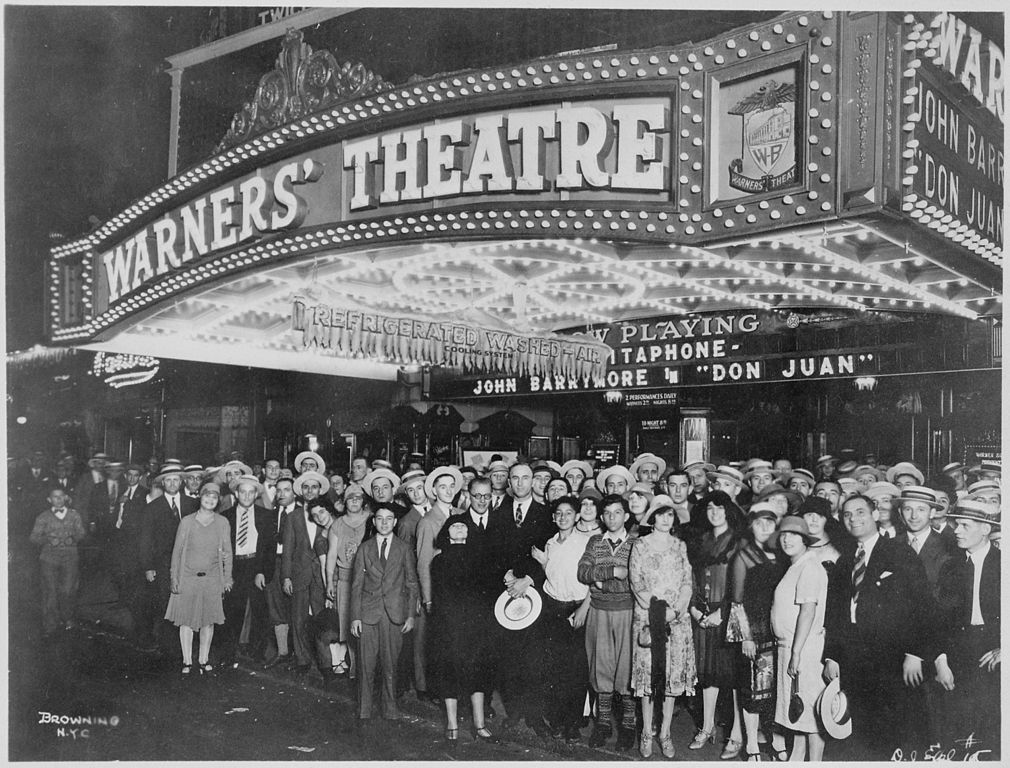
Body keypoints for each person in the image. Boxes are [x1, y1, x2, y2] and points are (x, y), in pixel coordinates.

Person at [823, 494, 933, 759]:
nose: (853, 519)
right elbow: (835, 613)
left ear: (875, 515)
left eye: (860, 512)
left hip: (892, 656)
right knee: (860, 726)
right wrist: (831, 656)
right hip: (853, 655)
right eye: (847, 515)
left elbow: (922, 606)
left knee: (893, 728)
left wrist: (915, 653)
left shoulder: (899, 551)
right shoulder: (845, 559)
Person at [933, 498, 1000, 755]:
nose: (957, 531)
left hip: (994, 648)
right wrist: (940, 660)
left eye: (964, 525)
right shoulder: (952, 566)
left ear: (985, 529)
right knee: (957, 725)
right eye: (956, 524)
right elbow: (940, 620)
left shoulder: (1004, 563)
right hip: (960, 650)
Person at [629, 503, 696, 759]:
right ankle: (647, 732)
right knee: (648, 680)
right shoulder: (640, 545)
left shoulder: (680, 545)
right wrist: (658, 611)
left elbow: (688, 581)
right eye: (661, 514)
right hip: (648, 618)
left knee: (670, 680)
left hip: (676, 621)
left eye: (670, 514)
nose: (666, 519)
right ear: (652, 518)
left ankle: (665, 733)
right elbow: (636, 582)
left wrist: (676, 610)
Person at [427, 515, 499, 743]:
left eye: (463, 525)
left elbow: (487, 592)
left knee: (477, 670)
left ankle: (479, 724)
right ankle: (451, 723)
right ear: (447, 533)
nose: (459, 528)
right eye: (454, 526)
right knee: (450, 671)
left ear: (469, 532)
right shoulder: (439, 561)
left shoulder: (481, 558)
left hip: (476, 623)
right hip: (449, 624)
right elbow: (440, 596)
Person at [726, 502, 787, 761]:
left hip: (780, 631)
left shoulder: (785, 554)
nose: (765, 527)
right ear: (750, 526)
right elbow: (736, 601)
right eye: (759, 522)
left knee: (778, 691)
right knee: (753, 690)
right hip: (756, 631)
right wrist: (746, 637)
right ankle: (751, 744)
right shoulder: (743, 556)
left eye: (770, 522)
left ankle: (778, 740)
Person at [577, 494, 637, 751]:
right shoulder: (595, 541)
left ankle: (628, 725)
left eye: (617, 512)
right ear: (601, 517)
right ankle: (602, 723)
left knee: (627, 669)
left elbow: (637, 577)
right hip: (599, 611)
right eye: (608, 513)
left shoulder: (637, 543)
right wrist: (613, 572)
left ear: (626, 515)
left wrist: (602, 580)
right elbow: (583, 572)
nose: (612, 517)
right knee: (601, 668)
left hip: (628, 612)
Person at [688, 490, 746, 756]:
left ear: (728, 510)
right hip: (702, 613)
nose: (714, 512)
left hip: (727, 614)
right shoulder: (700, 540)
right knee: (707, 673)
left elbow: (740, 583)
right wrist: (693, 609)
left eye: (720, 507)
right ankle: (707, 726)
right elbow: (693, 578)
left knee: (732, 675)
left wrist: (722, 613)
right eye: (710, 507)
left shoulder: (738, 541)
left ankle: (736, 733)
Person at [532, 496, 593, 743]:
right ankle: (557, 720)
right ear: (553, 517)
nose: (564, 517)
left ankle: (572, 724)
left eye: (569, 513)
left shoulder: (587, 542)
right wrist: (544, 562)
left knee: (576, 670)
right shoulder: (550, 544)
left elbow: (594, 581)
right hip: (553, 609)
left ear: (577, 517)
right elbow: (554, 575)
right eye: (559, 513)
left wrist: (584, 609)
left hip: (577, 607)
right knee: (554, 667)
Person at [350, 505, 419, 721]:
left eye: (389, 519)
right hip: (369, 613)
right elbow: (356, 586)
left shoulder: (404, 548)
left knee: (391, 665)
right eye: (380, 519)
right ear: (374, 522)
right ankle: (364, 710)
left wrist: (409, 615)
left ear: (395, 522)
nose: (384, 523)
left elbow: (411, 583)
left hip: (394, 614)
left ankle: (390, 710)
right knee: (366, 665)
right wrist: (355, 617)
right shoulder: (364, 548)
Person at [770, 516, 828, 761]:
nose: (787, 539)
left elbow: (808, 610)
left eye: (794, 535)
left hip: (804, 648)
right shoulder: (796, 565)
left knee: (813, 714)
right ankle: (797, 759)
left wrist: (796, 653)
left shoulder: (810, 566)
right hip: (792, 646)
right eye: (784, 534)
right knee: (799, 711)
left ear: (805, 540)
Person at [165, 483, 233, 675]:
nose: (210, 500)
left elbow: (228, 553)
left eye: (214, 497)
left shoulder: (222, 523)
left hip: (211, 578)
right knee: (185, 620)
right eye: (206, 496)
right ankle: (187, 660)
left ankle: (203, 659)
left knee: (208, 621)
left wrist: (226, 579)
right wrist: (174, 577)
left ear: (218, 500)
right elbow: (177, 552)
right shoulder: (187, 521)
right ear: (200, 497)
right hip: (187, 577)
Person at [219, 475, 276, 668]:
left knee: (260, 611)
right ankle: (228, 653)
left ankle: (258, 652)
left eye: (250, 492)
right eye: (242, 491)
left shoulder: (266, 515)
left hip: (255, 565)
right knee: (232, 610)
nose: (246, 495)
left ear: (255, 495)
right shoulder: (225, 516)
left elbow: (269, 547)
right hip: (235, 567)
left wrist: (263, 572)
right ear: (236, 493)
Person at [281, 470, 330, 674]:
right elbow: (288, 549)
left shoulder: (328, 512)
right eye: (306, 487)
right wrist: (285, 576)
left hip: (321, 575)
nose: (310, 491)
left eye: (314, 487)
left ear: (320, 490)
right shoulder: (293, 517)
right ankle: (302, 659)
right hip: (299, 573)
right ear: (301, 491)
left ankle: (326, 664)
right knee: (298, 619)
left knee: (323, 620)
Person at [325, 482, 371, 677]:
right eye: (350, 498)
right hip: (345, 579)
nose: (354, 501)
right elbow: (332, 554)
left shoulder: (371, 520)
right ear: (344, 502)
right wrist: (329, 581)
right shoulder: (338, 524)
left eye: (358, 498)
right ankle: (353, 668)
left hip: (368, 580)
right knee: (346, 625)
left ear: (363, 501)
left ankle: (365, 669)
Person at [30, 487, 87, 635]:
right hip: (49, 558)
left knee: (68, 589)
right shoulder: (43, 517)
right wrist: (47, 540)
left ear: (66, 498)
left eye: (61, 496)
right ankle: (50, 624)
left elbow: (81, 533)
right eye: (55, 497)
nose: (59, 499)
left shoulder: (74, 515)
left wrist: (73, 538)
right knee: (50, 591)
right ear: (49, 500)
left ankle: (67, 617)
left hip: (70, 557)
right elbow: (34, 538)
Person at [798, 495, 843, 564]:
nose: (814, 520)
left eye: (820, 515)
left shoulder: (838, 544)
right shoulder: (795, 544)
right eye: (810, 515)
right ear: (802, 517)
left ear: (827, 520)